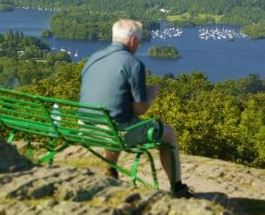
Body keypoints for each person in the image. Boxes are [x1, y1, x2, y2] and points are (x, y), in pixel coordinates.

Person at [79, 19, 192, 198]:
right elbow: (140, 109)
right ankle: (177, 187)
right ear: (132, 41)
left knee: (116, 119)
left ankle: (111, 171)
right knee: (168, 133)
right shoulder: (133, 64)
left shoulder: (92, 58)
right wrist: (151, 94)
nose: (139, 46)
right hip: (114, 131)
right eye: (139, 42)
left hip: (85, 127)